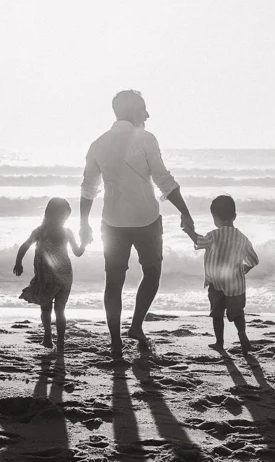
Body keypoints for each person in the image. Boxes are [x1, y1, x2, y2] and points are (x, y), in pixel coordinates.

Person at [80, 90, 196, 358]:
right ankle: (135, 326)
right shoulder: (146, 139)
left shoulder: (98, 144)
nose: (147, 114)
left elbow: (88, 188)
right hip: (147, 221)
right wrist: (185, 212)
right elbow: (164, 180)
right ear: (133, 111)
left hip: (112, 222)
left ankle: (116, 341)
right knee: (152, 273)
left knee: (113, 282)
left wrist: (83, 222)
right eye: (144, 109)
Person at [184, 194, 260, 353]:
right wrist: (245, 268)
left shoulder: (213, 235)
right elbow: (253, 259)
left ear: (215, 217)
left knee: (217, 315)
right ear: (234, 216)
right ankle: (242, 335)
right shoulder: (242, 238)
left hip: (216, 284)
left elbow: (199, 242)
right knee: (238, 314)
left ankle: (219, 343)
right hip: (236, 286)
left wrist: (188, 230)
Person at [13, 197, 86, 354]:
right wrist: (85, 243)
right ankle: (57, 340)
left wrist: (18, 263)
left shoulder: (41, 232)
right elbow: (78, 252)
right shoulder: (59, 232)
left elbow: (24, 247)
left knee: (47, 309)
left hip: (49, 277)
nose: (63, 220)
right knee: (60, 310)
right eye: (63, 216)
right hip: (64, 275)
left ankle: (49, 336)